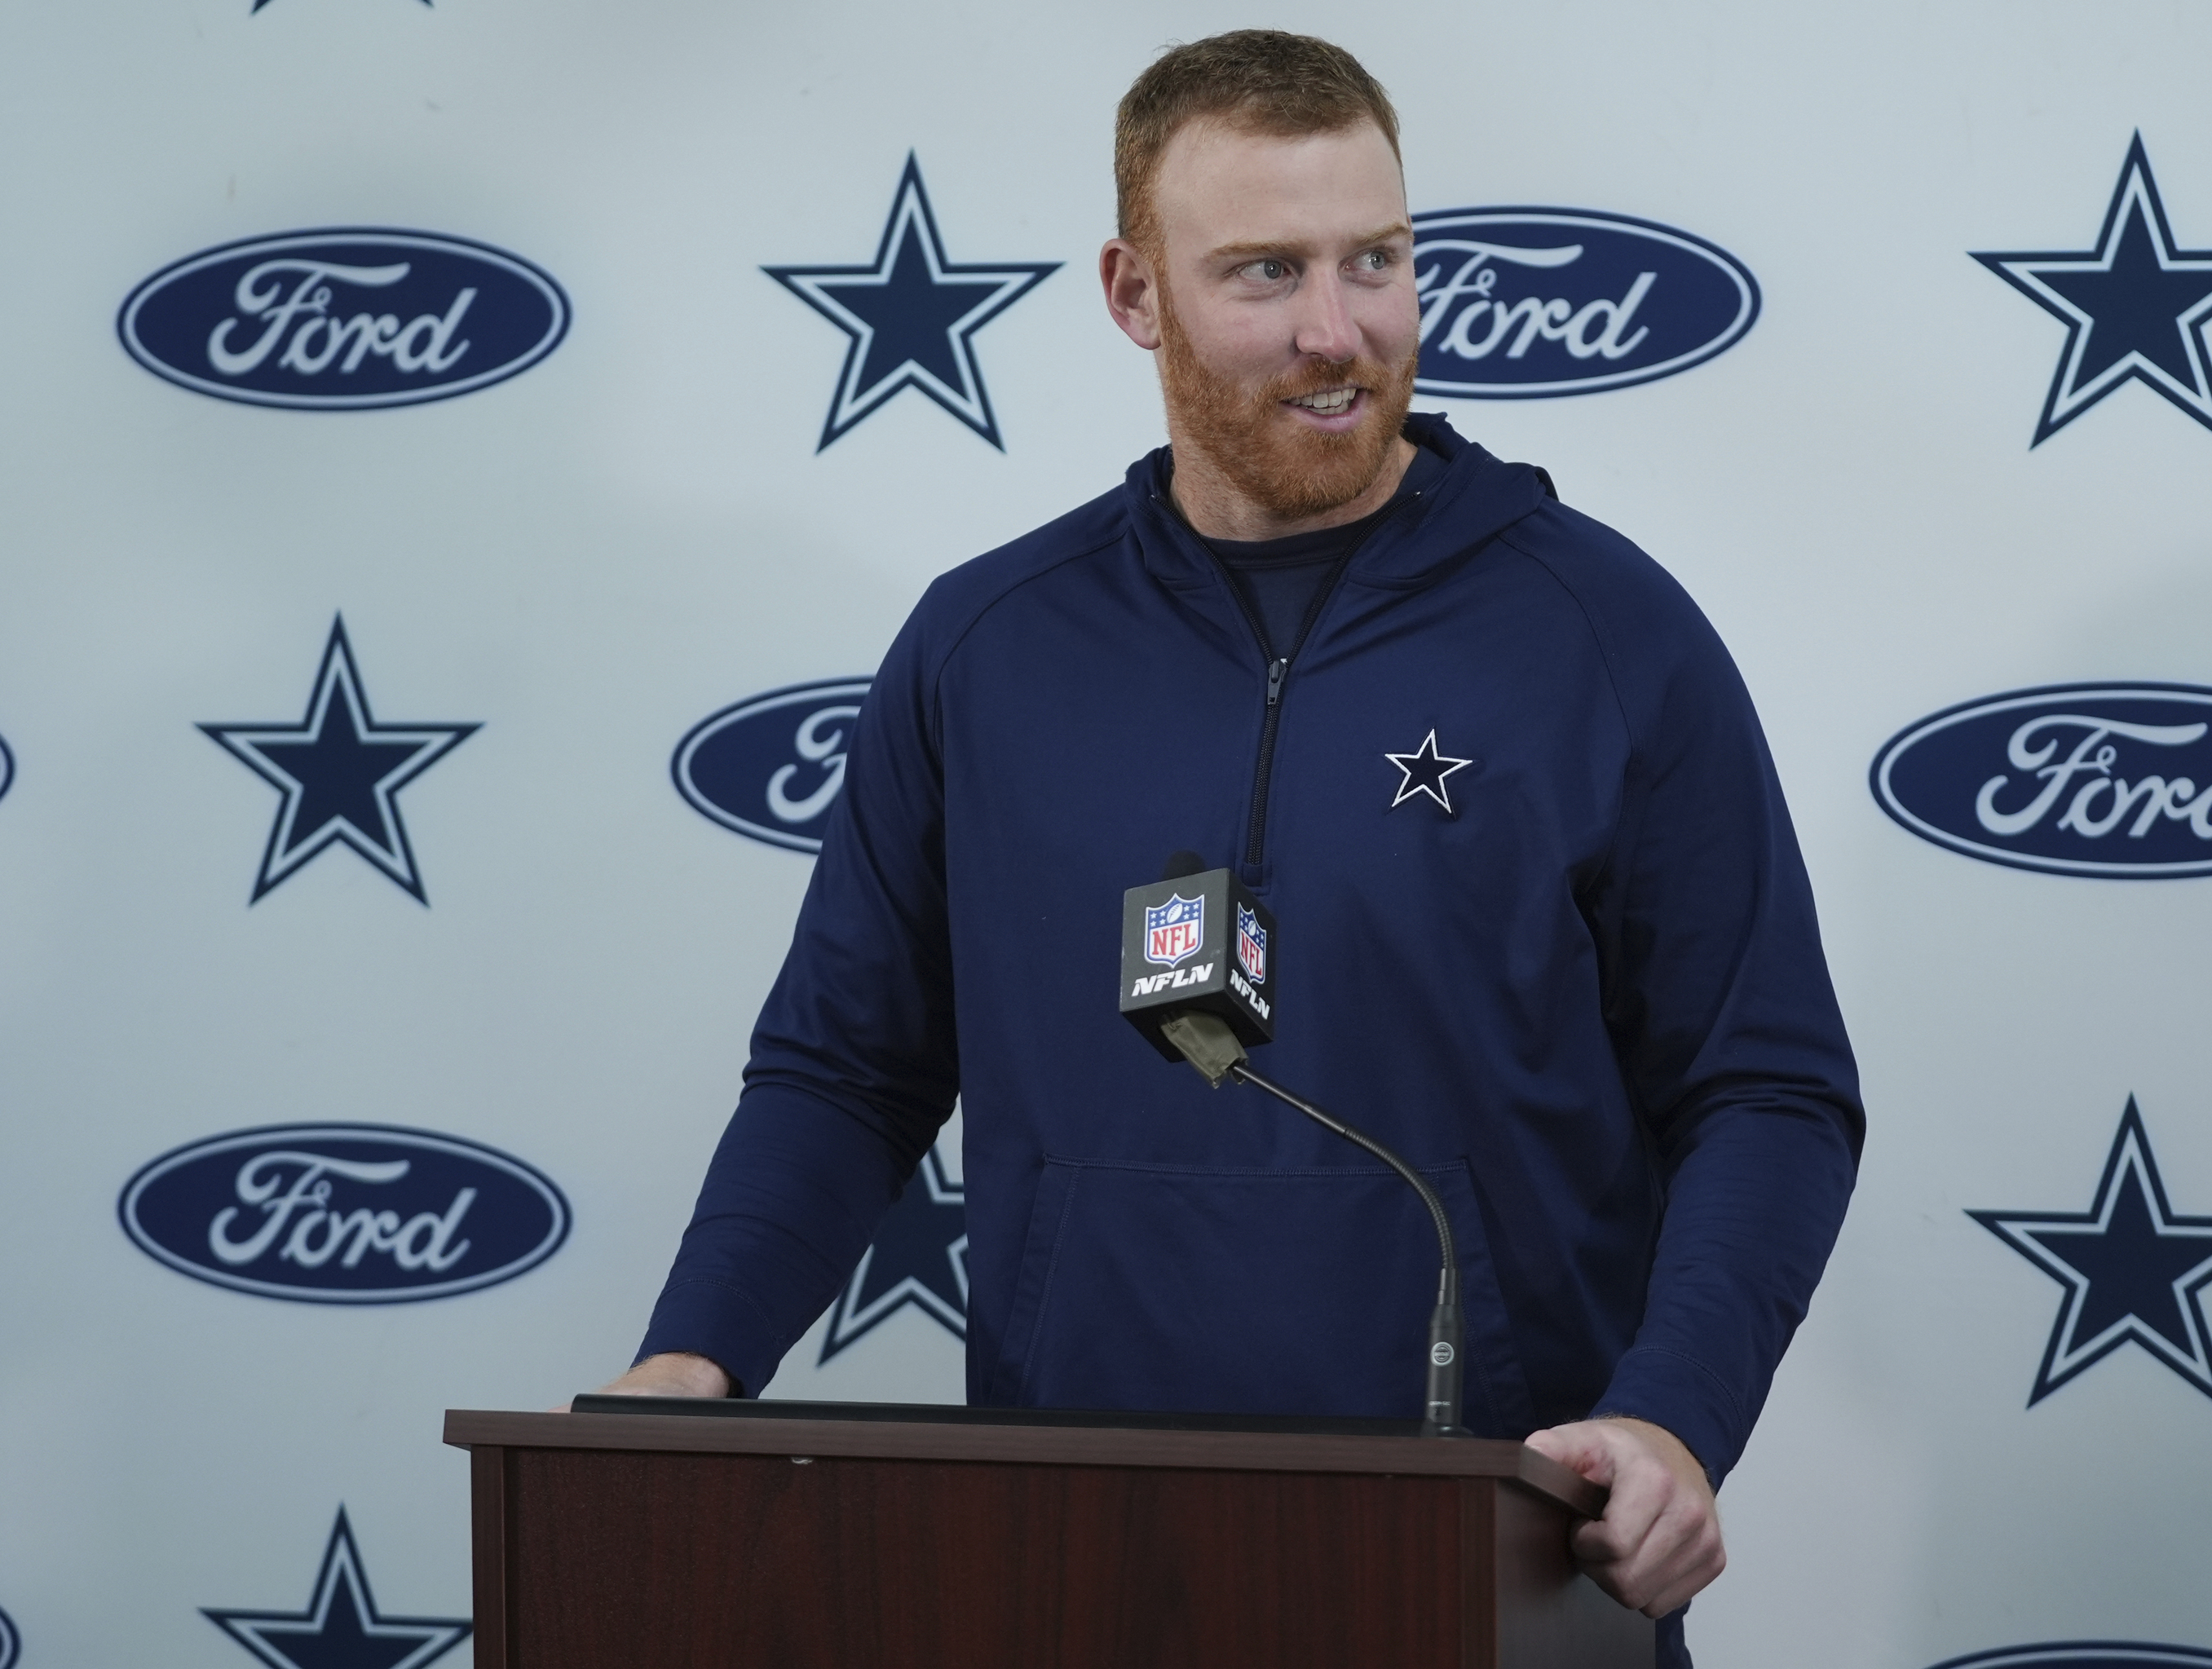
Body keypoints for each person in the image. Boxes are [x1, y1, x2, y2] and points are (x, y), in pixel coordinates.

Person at [594, 31, 1861, 1667]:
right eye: (1265, 273)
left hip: (1504, 1568)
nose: (1340, 334)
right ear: (1136, 295)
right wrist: (696, 1358)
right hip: (1067, 1559)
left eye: (1377, 263)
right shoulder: (989, 647)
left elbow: (1765, 1085)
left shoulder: (1606, 633)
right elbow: (847, 1067)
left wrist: (1676, 1417)